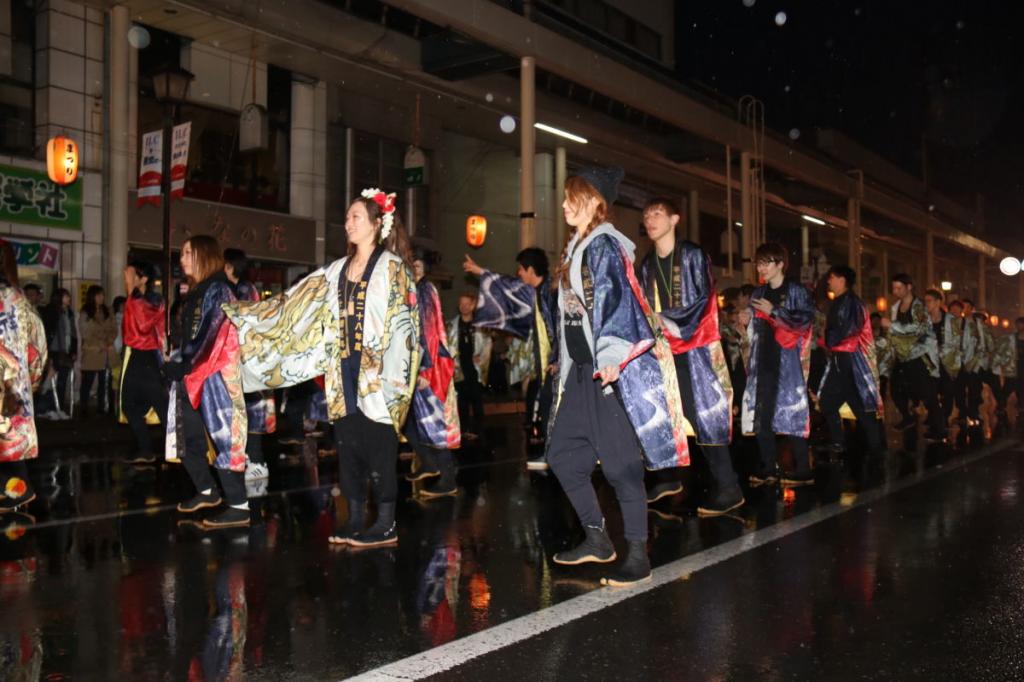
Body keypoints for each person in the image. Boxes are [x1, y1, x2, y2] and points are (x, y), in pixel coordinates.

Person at [224, 189, 420, 548]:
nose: (348, 223)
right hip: (343, 369)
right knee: (348, 446)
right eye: (347, 218)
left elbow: (407, 327)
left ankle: (387, 523)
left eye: (356, 217)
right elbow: (295, 303)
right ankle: (357, 518)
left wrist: (395, 379)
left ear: (377, 225)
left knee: (379, 448)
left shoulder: (394, 270)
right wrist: (250, 316)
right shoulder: (336, 271)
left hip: (379, 376)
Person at [545, 168, 687, 587]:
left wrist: (610, 356)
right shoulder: (578, 246)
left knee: (622, 467)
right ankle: (597, 537)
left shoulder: (603, 244)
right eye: (566, 198)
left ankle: (638, 553)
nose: (566, 205)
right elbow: (572, 313)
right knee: (563, 457)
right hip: (581, 371)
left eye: (574, 197)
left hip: (607, 369)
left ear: (594, 201)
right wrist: (562, 358)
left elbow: (615, 301)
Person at [637, 196, 742, 516]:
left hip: (696, 348)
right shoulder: (646, 264)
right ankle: (668, 478)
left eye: (657, 213)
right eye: (646, 215)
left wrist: (664, 320)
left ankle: (729, 488)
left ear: (674, 219)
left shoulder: (693, 256)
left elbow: (703, 301)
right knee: (662, 412)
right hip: (663, 351)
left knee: (704, 415)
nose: (650, 219)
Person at [164, 236, 248, 529]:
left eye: (188, 253)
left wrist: (185, 364)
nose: (182, 258)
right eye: (182, 252)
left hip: (215, 376)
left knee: (225, 435)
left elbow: (216, 334)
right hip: (190, 374)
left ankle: (239, 504)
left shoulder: (219, 289)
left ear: (204, 255)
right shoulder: (196, 291)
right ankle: (207, 490)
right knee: (187, 437)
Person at [463, 247, 558, 468]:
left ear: (531, 269)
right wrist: (479, 271)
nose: (519, 275)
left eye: (521, 270)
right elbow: (506, 285)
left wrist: (557, 358)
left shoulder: (551, 293)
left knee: (552, 406)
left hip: (557, 361)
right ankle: (551, 453)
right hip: (546, 361)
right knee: (547, 406)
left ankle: (558, 454)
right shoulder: (533, 292)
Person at [742, 242, 816, 487]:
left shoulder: (796, 290)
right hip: (762, 360)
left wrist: (775, 313)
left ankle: (804, 469)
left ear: (781, 264)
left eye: (766, 263)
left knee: (793, 411)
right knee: (762, 416)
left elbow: (804, 322)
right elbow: (753, 329)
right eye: (759, 263)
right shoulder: (758, 293)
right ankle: (769, 467)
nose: (761, 268)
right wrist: (746, 320)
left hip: (788, 362)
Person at [405, 255, 460, 499]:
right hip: (421, 365)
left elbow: (428, 330)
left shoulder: (425, 289)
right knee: (410, 421)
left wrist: (425, 369)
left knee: (435, 423)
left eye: (417, 265)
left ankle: (448, 480)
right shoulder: (415, 289)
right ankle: (429, 463)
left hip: (431, 368)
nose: (413, 268)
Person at [817, 266, 885, 457]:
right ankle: (848, 442)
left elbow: (848, 331)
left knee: (857, 404)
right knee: (832, 401)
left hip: (850, 361)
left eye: (831, 277)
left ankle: (875, 448)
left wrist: (826, 339)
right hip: (841, 359)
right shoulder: (840, 302)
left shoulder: (852, 303)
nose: (829, 281)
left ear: (841, 279)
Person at [0, 240, 48, 513]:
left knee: (7, 443)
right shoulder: (21, 301)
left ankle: (20, 490)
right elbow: (37, 345)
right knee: (10, 442)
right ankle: (16, 490)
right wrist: (32, 381)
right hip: (15, 384)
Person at [223, 248, 275, 489]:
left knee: (252, 410)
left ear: (230, 266)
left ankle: (257, 463)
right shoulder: (243, 289)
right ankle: (252, 461)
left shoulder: (243, 291)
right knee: (246, 411)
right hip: (244, 359)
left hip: (248, 360)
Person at [882, 274, 945, 441]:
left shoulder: (919, 307)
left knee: (928, 393)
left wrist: (893, 326)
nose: (895, 291)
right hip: (902, 356)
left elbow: (920, 328)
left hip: (919, 355)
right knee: (896, 388)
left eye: (899, 288)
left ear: (909, 287)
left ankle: (939, 429)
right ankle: (908, 417)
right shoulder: (896, 306)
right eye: (893, 288)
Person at [119, 261, 168, 464]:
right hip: (137, 357)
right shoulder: (136, 298)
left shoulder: (154, 300)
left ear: (144, 279)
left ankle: (181, 450)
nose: (127, 279)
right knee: (129, 405)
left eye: (133, 276)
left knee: (162, 407)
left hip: (147, 357)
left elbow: (142, 324)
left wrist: (130, 288)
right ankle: (146, 448)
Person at [448, 290, 491, 440]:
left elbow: (487, 343)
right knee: (462, 401)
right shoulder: (452, 326)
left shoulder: (481, 325)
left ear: (473, 305)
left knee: (477, 400)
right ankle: (464, 429)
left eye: (467, 304)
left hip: (474, 368)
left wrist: (482, 357)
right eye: (461, 304)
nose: (464, 306)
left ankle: (479, 430)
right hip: (459, 367)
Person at [78, 285, 118, 416]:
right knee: (88, 381)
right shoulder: (86, 313)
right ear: (92, 296)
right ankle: (83, 407)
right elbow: (85, 333)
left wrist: (109, 341)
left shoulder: (107, 311)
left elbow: (114, 329)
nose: (102, 298)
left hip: (107, 351)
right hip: (92, 351)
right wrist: (100, 343)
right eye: (99, 295)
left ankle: (104, 407)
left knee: (105, 381)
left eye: (103, 295)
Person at [924, 289, 962, 423]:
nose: (926, 304)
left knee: (947, 391)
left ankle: (944, 417)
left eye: (929, 301)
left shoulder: (951, 320)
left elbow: (957, 342)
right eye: (925, 301)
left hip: (947, 362)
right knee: (929, 391)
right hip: (929, 362)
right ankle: (933, 414)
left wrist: (943, 350)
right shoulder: (924, 320)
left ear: (938, 302)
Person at [41, 287, 77, 418]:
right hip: (54, 350)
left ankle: (59, 408)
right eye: (66, 296)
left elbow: (72, 333)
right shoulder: (51, 311)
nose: (69, 299)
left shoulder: (69, 312)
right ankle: (48, 409)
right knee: (51, 381)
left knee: (62, 381)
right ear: (59, 297)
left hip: (65, 351)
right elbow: (47, 331)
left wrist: (73, 350)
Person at [870, 312, 893, 402]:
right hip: (872, 371)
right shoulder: (868, 337)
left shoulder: (885, 337)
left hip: (883, 371)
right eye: (873, 321)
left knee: (881, 394)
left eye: (877, 321)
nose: (875, 323)